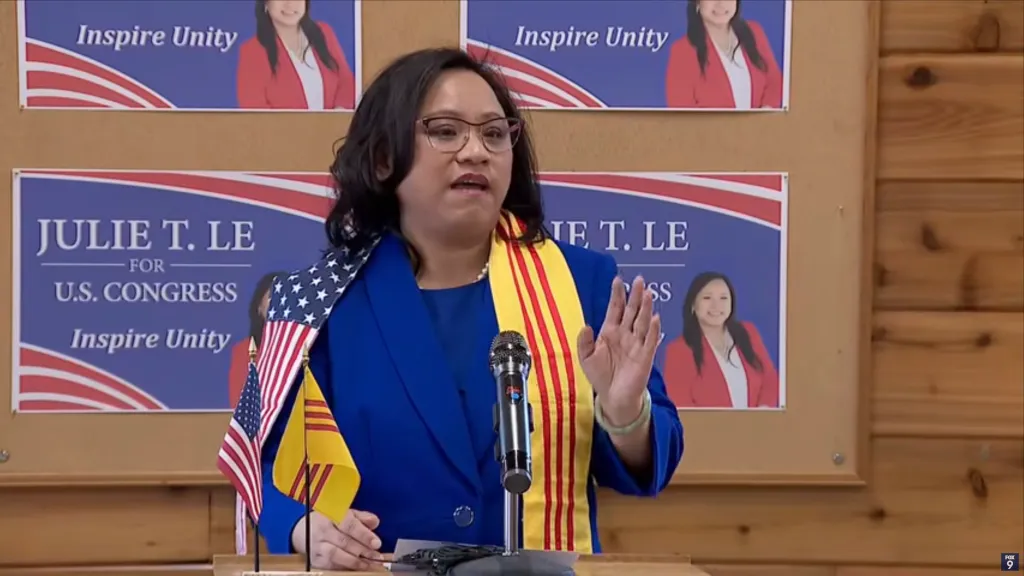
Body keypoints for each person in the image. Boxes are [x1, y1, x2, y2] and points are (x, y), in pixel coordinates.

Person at [256, 47, 685, 570]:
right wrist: (305, 526)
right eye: (445, 131)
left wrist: (624, 417)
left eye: (494, 133)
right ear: (384, 158)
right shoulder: (322, 302)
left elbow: (647, 466)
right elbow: (268, 464)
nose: (476, 151)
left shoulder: (581, 283)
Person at [662, 272, 779, 409]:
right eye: (707, 298)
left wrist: (761, 413)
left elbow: (770, 380)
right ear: (693, 305)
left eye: (723, 298)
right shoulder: (679, 350)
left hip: (757, 428)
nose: (716, 305)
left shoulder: (748, 332)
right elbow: (681, 406)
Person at [236, 0, 356, 109]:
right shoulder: (252, 51)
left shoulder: (324, 32)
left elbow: (346, 80)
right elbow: (255, 111)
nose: (290, 4)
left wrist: (339, 114)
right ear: (266, 4)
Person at [664, 0, 783, 109]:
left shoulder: (754, 31)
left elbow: (775, 81)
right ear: (697, 3)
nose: (721, 3)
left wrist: (765, 115)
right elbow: (681, 116)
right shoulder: (682, 51)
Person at [226, 271, 281, 408]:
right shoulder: (244, 351)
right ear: (259, 307)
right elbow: (238, 403)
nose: (278, 304)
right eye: (272, 297)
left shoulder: (308, 346)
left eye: (284, 297)